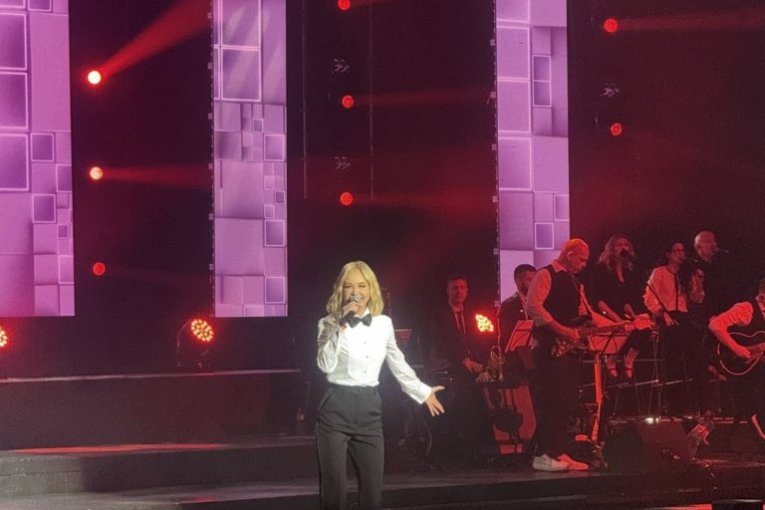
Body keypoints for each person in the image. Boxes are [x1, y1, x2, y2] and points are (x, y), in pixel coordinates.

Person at [316, 261, 444, 510]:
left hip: (370, 411)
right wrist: (340, 326)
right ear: (341, 290)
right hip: (336, 409)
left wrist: (423, 391)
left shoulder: (383, 324)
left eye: (362, 286)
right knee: (334, 492)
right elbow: (324, 364)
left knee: (373, 494)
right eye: (349, 286)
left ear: (371, 289)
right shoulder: (328, 323)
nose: (356, 292)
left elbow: (397, 362)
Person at [526, 238, 603, 472]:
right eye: (581, 260)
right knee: (552, 400)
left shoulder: (574, 281)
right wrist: (563, 331)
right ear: (569, 255)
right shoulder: (545, 274)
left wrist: (619, 325)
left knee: (566, 401)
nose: (583, 265)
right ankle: (543, 453)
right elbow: (533, 307)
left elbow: (585, 312)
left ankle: (557, 450)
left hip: (568, 349)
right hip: (549, 347)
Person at [421, 274, 490, 465]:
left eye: (462, 288)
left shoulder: (471, 314)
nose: (458, 291)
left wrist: (484, 363)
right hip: (446, 364)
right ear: (448, 291)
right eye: (455, 288)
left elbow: (476, 340)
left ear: (467, 291)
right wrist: (464, 360)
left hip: (467, 363)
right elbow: (442, 342)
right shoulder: (439, 314)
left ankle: (480, 446)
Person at [643, 241, 705, 416]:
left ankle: (696, 404)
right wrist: (663, 314)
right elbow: (649, 298)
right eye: (676, 250)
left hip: (684, 317)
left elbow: (697, 299)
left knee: (694, 357)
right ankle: (672, 405)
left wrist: (699, 281)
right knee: (672, 361)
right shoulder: (659, 272)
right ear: (668, 254)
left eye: (682, 250)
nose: (680, 253)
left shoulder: (686, 274)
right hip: (667, 316)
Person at [708, 277, 765, 442]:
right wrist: (737, 348)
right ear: (762, 295)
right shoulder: (746, 308)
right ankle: (758, 421)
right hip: (738, 365)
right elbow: (715, 325)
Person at [589, 234, 649, 382]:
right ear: (611, 248)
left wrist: (634, 316)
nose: (623, 248)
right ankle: (611, 359)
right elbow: (598, 299)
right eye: (619, 245)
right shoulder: (601, 269)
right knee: (623, 328)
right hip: (605, 312)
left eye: (626, 245)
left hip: (622, 311)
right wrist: (616, 319)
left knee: (645, 326)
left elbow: (626, 301)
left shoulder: (629, 271)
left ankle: (629, 360)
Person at [497, 264, 536, 350]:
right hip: (517, 354)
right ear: (518, 281)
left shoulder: (539, 303)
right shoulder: (508, 306)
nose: (534, 284)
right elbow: (505, 338)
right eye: (530, 280)